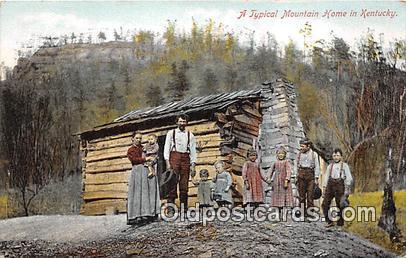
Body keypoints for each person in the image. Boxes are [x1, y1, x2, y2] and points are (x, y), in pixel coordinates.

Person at [163, 114, 197, 214]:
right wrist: (168, 163)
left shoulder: (190, 135)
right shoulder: (171, 133)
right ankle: (170, 208)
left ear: (186, 123)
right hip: (174, 157)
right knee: (172, 182)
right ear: (177, 122)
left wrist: (193, 165)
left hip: (185, 159)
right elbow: (166, 149)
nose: (182, 123)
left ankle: (184, 209)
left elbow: (193, 151)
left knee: (184, 183)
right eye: (180, 121)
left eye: (184, 121)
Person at [127, 132, 160, 225]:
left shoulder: (145, 147)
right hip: (137, 171)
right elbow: (134, 160)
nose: (139, 140)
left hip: (146, 170)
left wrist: (154, 159)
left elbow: (154, 155)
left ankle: (149, 213)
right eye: (137, 138)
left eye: (140, 138)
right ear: (132, 139)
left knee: (147, 192)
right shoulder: (131, 150)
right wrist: (145, 159)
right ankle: (136, 215)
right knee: (137, 193)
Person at [322, 148, 353, 228]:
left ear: (341, 157)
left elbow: (349, 178)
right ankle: (329, 221)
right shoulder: (330, 166)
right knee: (325, 203)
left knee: (340, 205)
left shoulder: (344, 166)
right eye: (334, 155)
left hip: (340, 185)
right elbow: (326, 177)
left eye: (337, 155)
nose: (336, 157)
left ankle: (340, 224)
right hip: (330, 184)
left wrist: (347, 189)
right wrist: (324, 187)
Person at [292, 138, 320, 219]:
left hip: (310, 175)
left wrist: (317, 178)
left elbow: (317, 166)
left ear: (308, 146)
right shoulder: (298, 154)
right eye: (300, 146)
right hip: (301, 175)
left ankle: (310, 214)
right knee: (301, 196)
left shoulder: (314, 154)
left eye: (303, 146)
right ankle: (302, 213)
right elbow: (295, 166)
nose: (301, 148)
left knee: (310, 196)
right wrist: (295, 176)